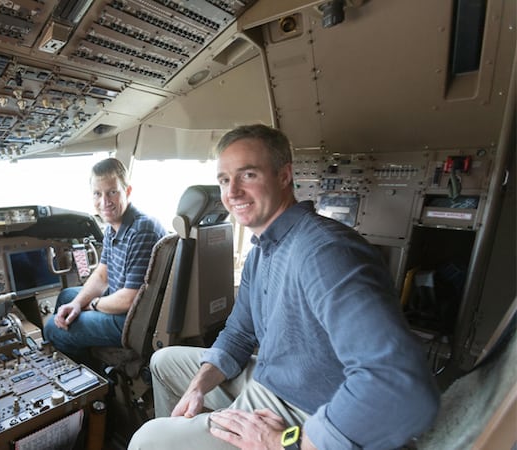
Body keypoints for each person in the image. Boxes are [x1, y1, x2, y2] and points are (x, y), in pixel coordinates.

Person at [128, 125, 440, 450]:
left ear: (283, 176)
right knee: (164, 361)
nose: (231, 192)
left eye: (247, 175)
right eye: (224, 179)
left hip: (313, 409)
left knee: (146, 441)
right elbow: (237, 334)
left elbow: (402, 387)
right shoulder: (262, 251)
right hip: (274, 378)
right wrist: (197, 388)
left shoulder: (324, 253)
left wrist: (282, 442)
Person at [42, 158, 167, 360]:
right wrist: (77, 303)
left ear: (127, 191)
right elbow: (102, 275)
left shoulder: (142, 229)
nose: (104, 202)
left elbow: (129, 299)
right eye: (97, 194)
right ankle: (81, 354)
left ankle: (89, 379)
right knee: (67, 297)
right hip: (126, 306)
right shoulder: (112, 227)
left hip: (132, 321)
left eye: (112, 192)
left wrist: (93, 304)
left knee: (52, 328)